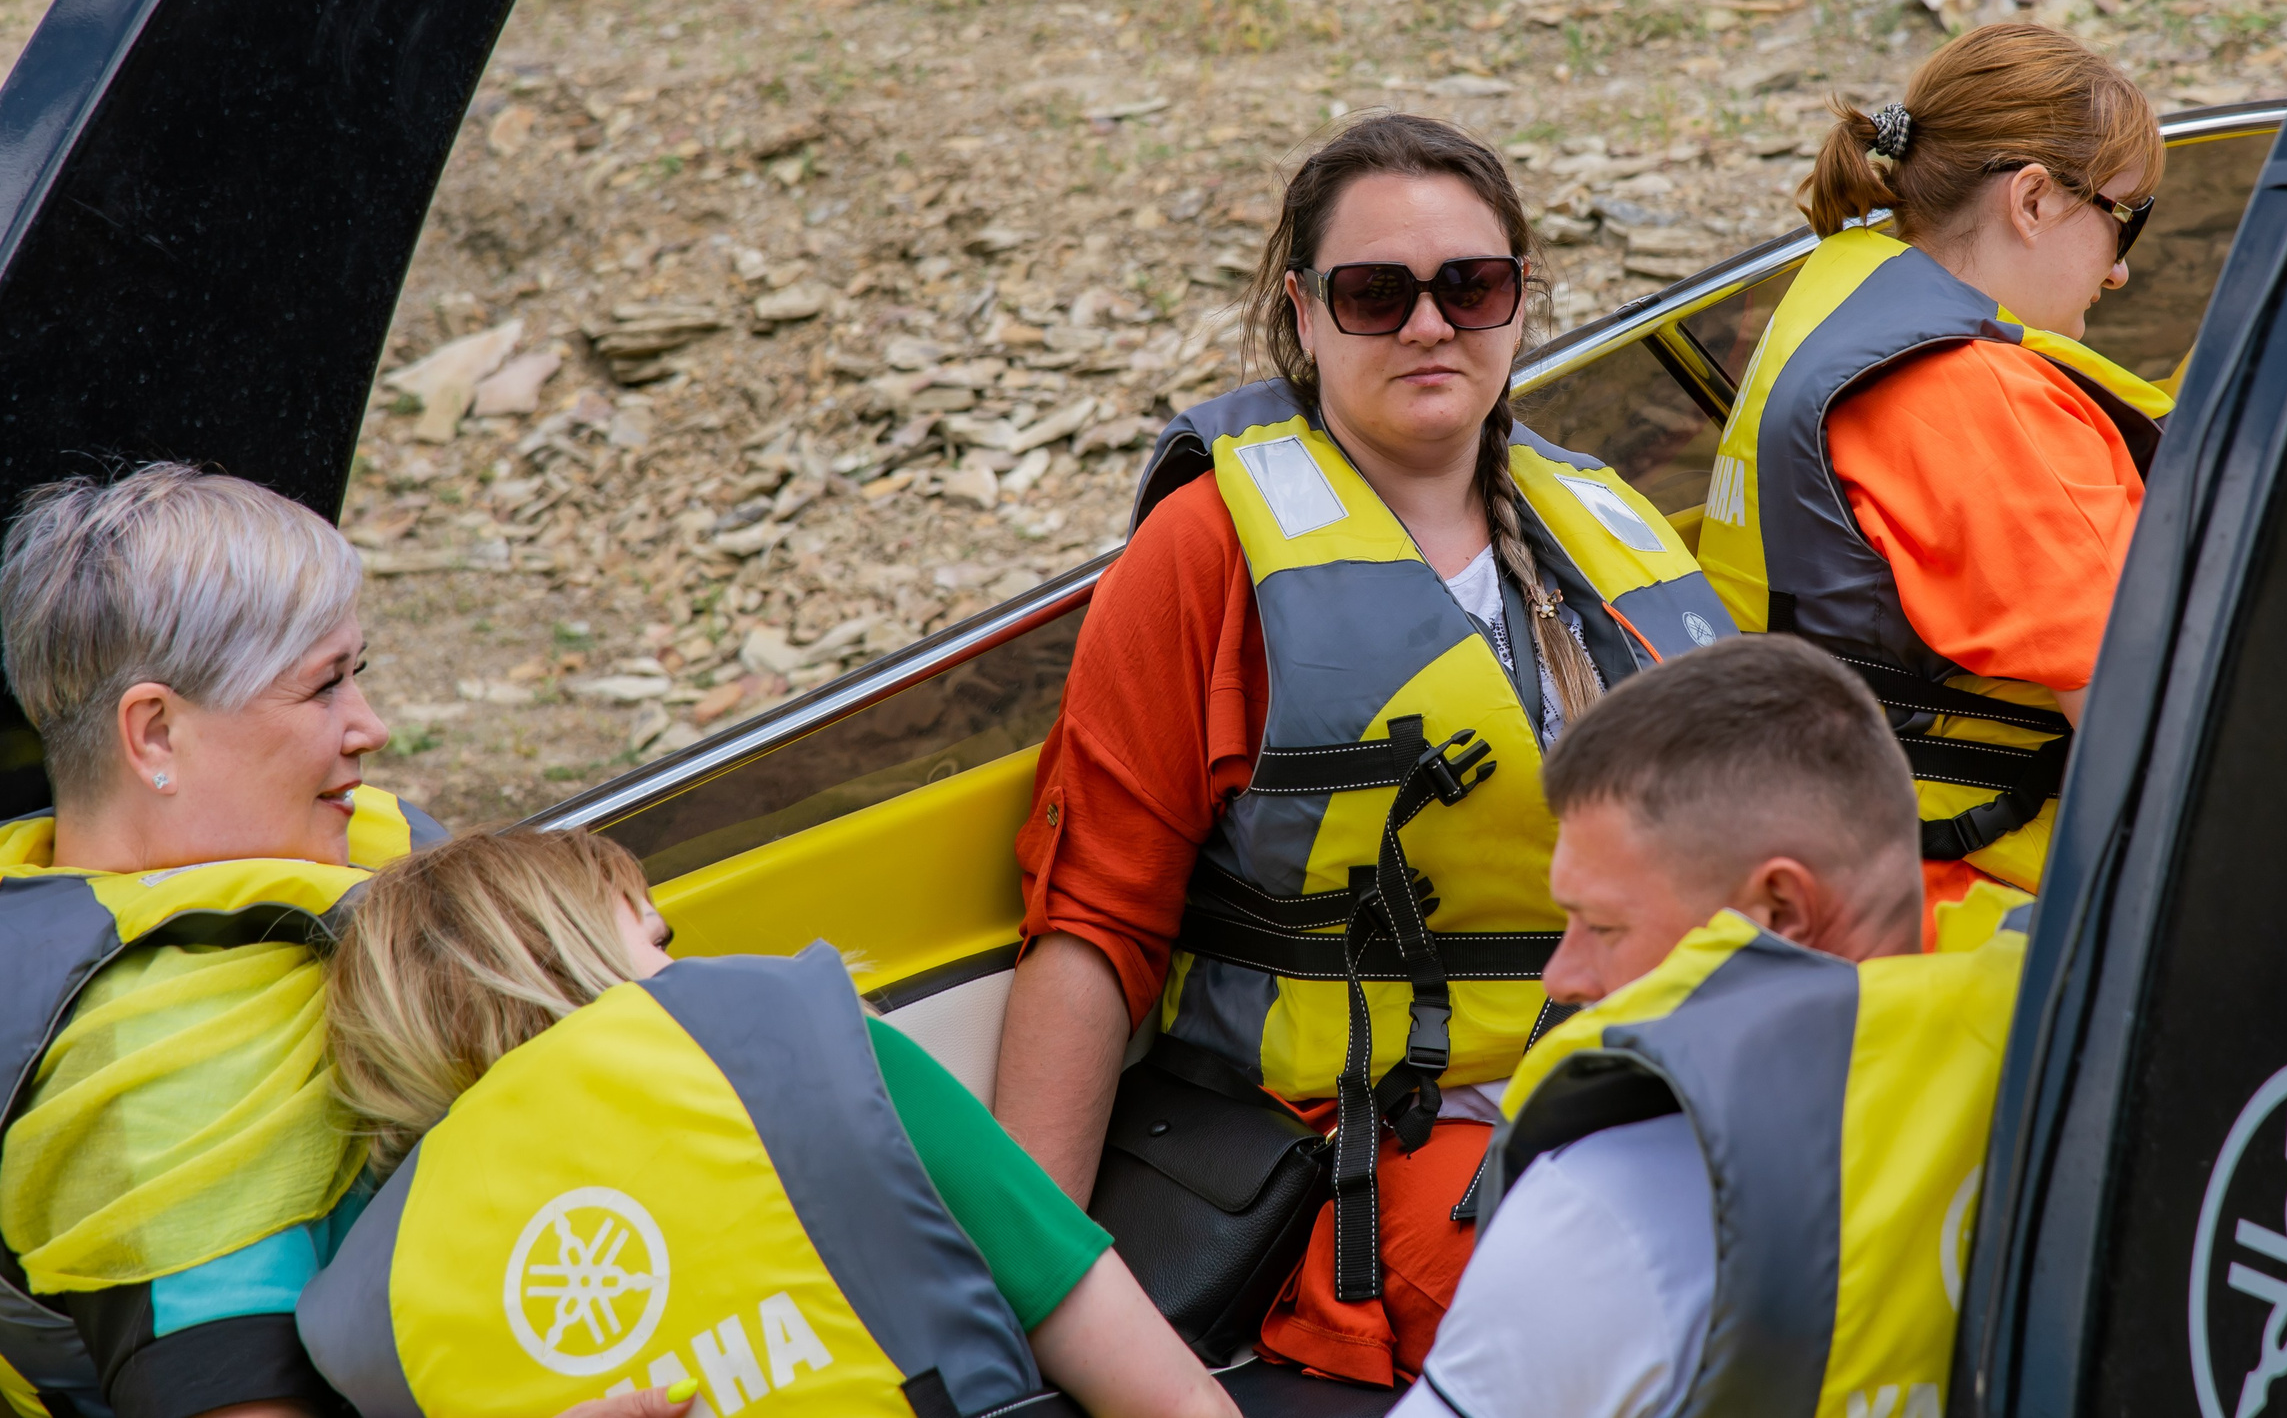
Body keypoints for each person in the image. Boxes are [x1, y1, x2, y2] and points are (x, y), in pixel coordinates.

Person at [990, 112, 1736, 1385]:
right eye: (1376, 292)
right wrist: (1024, 1313)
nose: (1430, 324)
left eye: (1473, 285)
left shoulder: (1593, 519)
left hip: (1644, 1086)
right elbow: (1091, 929)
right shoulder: (1206, 553)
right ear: (1305, 309)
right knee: (1683, 1320)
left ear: (1517, 302)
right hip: (1371, 1153)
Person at [299, 829, 1236, 1418]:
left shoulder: (377, 1313)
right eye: (661, 939)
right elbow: (1171, 1396)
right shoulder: (829, 1055)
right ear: (583, 959)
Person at [1391, 636, 2031, 1418]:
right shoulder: (2068, 1051)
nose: (1562, 977)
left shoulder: (1604, 1213)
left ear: (1779, 913)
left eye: (1603, 925)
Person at [1694, 21, 2169, 919]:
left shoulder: (1839, 294)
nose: (2121, 272)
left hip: (1834, 861)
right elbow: (2149, 721)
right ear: (2032, 200)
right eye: (2124, 217)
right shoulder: (1975, 396)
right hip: (1982, 896)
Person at [0, 464, 436, 1418]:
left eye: (357, 673)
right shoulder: (151, 1083)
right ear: (154, 734)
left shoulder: (285, 847)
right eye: (325, 687)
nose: (372, 725)